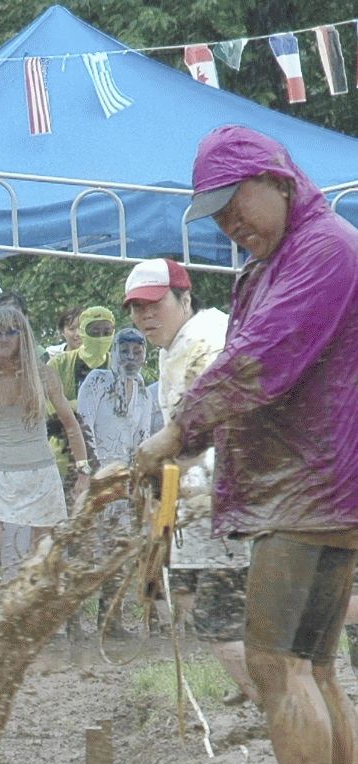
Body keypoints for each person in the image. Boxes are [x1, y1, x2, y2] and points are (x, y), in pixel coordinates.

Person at [135, 127, 358, 764]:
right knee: (313, 666)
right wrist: (191, 437)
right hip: (314, 483)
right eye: (218, 216)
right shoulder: (280, 259)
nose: (231, 224)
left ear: (278, 180)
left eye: (237, 205)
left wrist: (177, 431)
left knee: (271, 664)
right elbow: (242, 356)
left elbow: (259, 361)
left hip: (310, 483)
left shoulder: (321, 250)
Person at [124, 257, 253, 701]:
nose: (145, 317)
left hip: (223, 489)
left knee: (218, 615)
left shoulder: (208, 341)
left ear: (184, 298)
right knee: (186, 594)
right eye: (137, 309)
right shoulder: (172, 347)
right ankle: (251, 675)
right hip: (194, 493)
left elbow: (210, 423)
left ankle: (265, 690)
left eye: (154, 305)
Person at [0, 304, 92, 613]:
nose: (4, 339)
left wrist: (83, 471)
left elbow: (71, 425)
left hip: (39, 471)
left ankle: (28, 622)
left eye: (10, 332)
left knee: (41, 554)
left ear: (23, 336)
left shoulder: (42, 375)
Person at [77, 327, 162, 638]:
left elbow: (142, 438)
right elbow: (83, 424)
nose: (130, 357)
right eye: (124, 350)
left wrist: (138, 478)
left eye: (136, 352)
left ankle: (109, 620)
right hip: (95, 476)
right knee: (86, 551)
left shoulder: (141, 388)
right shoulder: (97, 380)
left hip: (126, 480)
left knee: (119, 550)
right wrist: (92, 472)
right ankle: (73, 625)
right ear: (114, 352)